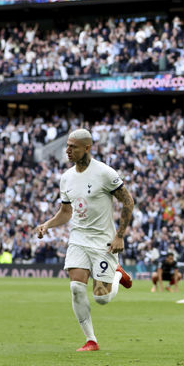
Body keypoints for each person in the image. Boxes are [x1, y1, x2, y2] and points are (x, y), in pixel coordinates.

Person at [35, 129, 134, 352]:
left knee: (102, 298)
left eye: (73, 147)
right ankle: (91, 340)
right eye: (67, 146)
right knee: (76, 288)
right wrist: (47, 224)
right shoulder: (66, 177)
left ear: (87, 148)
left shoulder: (105, 173)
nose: (68, 150)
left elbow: (128, 202)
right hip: (78, 239)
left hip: (103, 242)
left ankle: (118, 273)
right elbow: (66, 212)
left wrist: (120, 235)